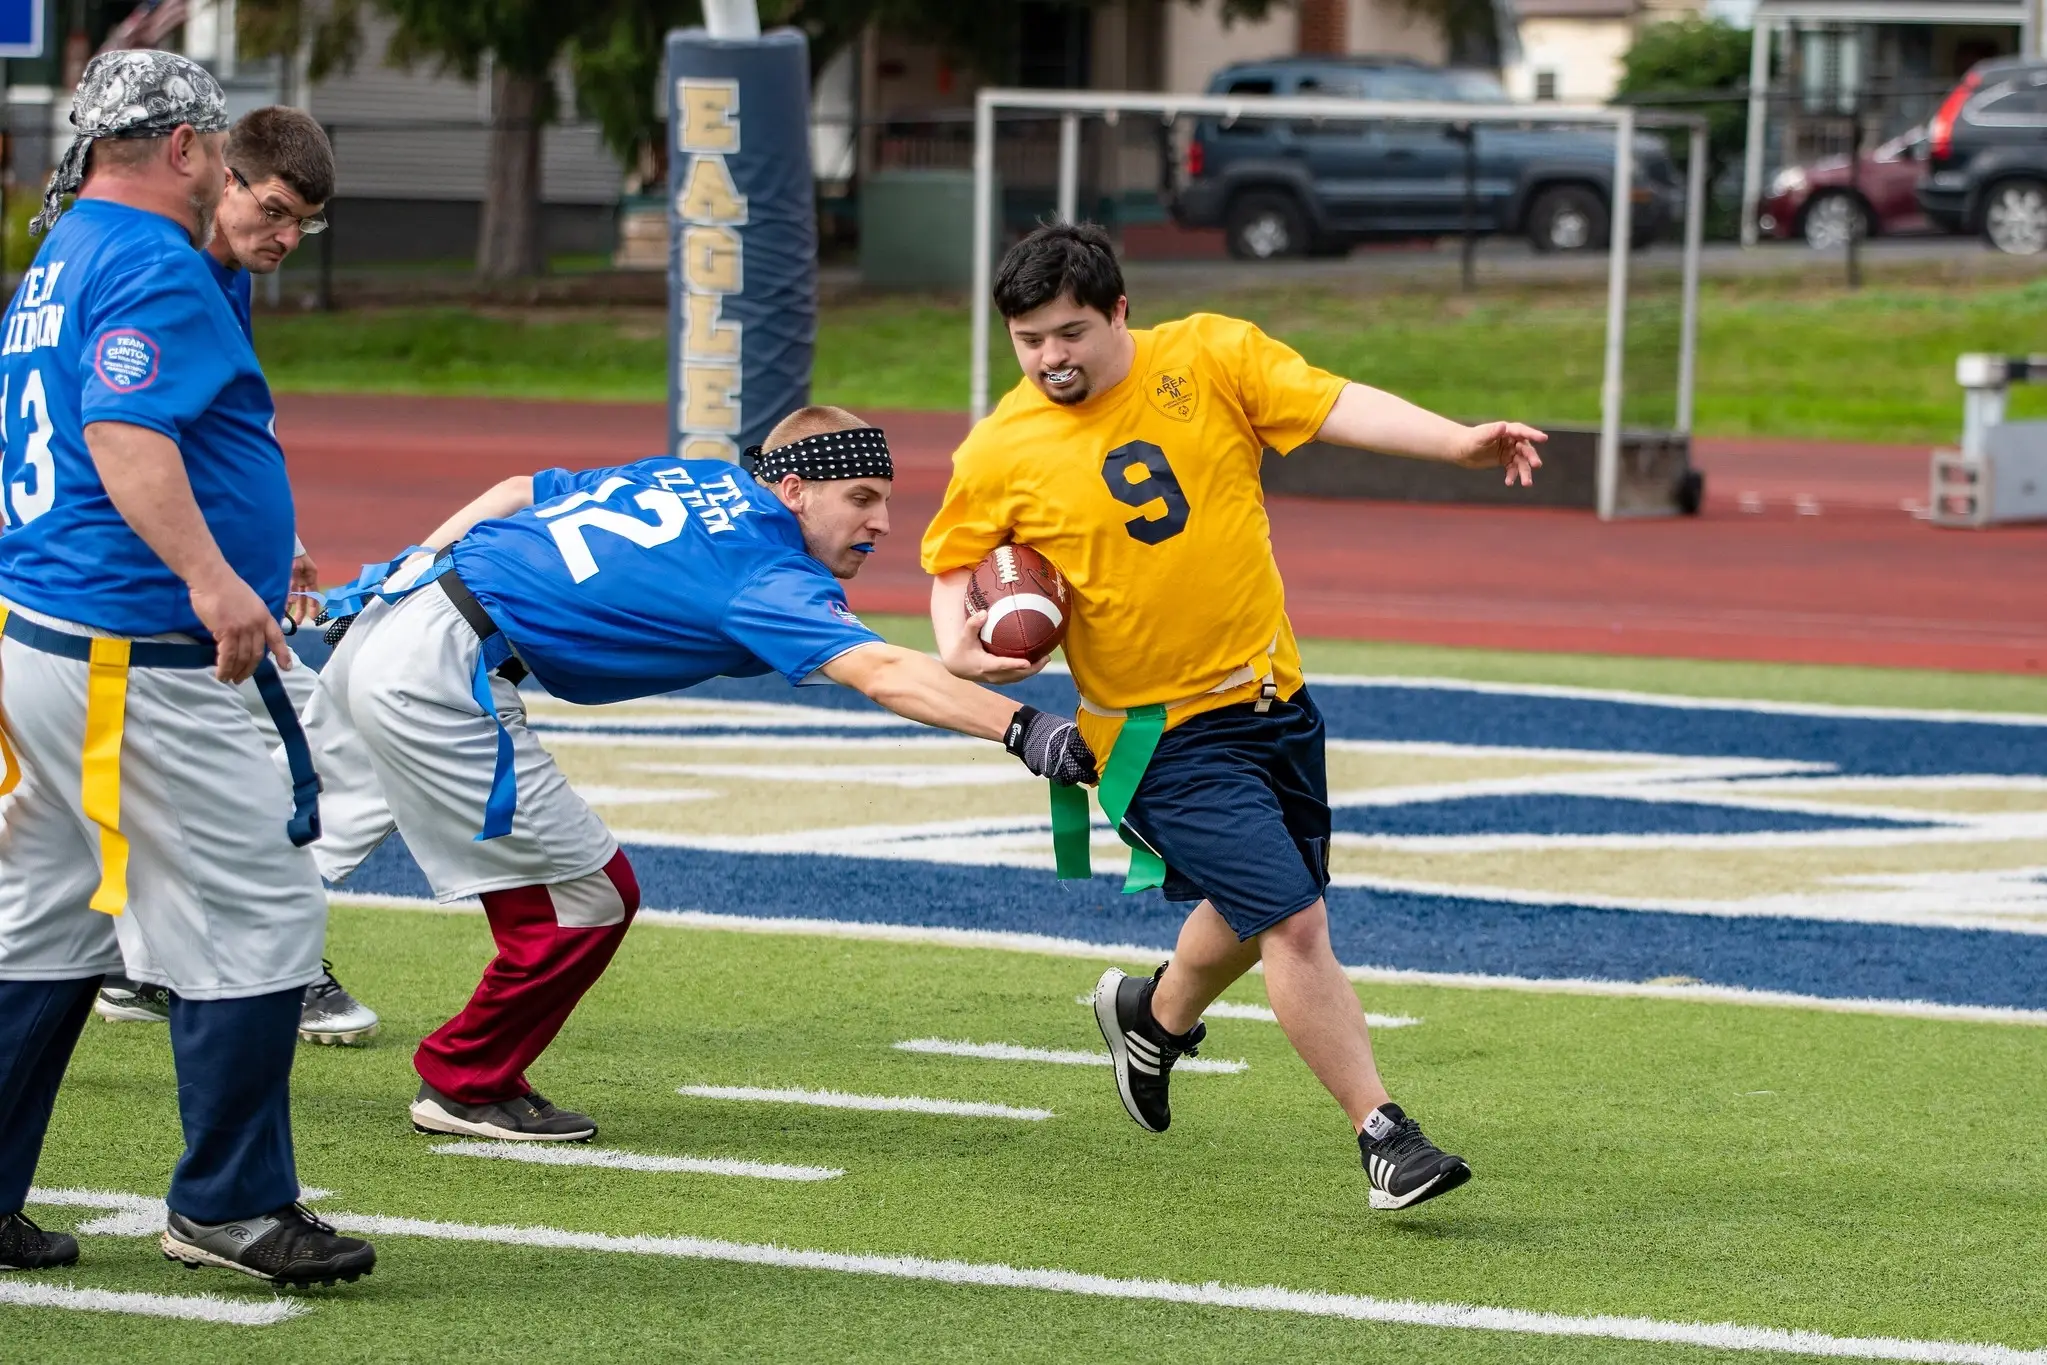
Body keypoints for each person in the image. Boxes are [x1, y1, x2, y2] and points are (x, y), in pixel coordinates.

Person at [922, 223, 1544, 1211]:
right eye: (1029, 339)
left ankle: (1151, 1017)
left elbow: (1335, 402)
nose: (1050, 358)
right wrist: (961, 645)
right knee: (1295, 920)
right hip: (1151, 736)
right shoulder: (1000, 446)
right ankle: (1385, 1139)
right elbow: (954, 561)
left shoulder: (1210, 354)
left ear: (1120, 311)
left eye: (1070, 333)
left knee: (1264, 912)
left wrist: (1456, 441)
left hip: (1272, 698)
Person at [304, 405, 1096, 1142]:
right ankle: (465, 1081)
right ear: (793, 489)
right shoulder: (765, 569)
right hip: (440, 671)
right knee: (587, 898)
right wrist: (1025, 728)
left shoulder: (697, 476)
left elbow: (515, 492)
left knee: (282, 834)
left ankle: (182, 966)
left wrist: (406, 564)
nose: (881, 523)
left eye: (884, 500)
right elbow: (881, 672)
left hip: (394, 612)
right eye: (861, 498)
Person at [0, 51, 374, 1284]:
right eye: (215, 150)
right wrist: (219, 578)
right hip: (130, 653)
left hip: (51, 636)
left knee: (46, 919)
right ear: (180, 148)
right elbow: (121, 428)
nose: (224, 170)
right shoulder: (152, 255)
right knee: (259, 913)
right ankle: (231, 1204)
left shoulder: (66, 250)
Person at [92, 105, 381, 1046]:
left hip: (183, 606)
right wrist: (217, 572)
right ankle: (269, 967)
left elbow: (222, 422)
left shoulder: (215, 272)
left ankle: (146, 960)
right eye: (279, 210)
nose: (290, 237)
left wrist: (276, 535)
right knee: (330, 764)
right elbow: (127, 434)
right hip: (168, 613)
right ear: (223, 177)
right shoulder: (165, 270)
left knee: (85, 814)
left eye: (309, 223)